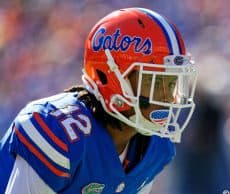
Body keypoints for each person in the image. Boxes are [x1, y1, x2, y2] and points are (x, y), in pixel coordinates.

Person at [0, 7, 197, 194]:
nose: (167, 98)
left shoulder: (156, 146)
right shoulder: (60, 131)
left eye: (172, 84)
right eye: (155, 83)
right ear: (111, 76)